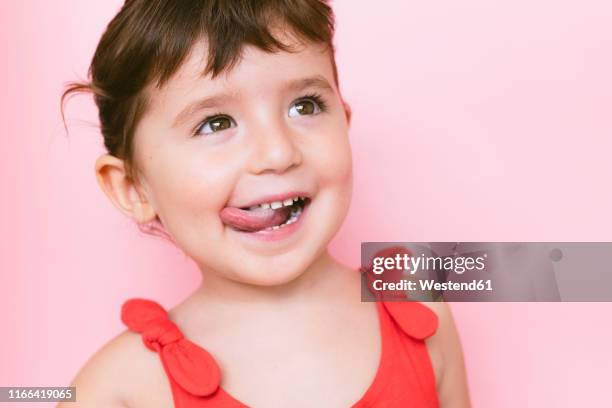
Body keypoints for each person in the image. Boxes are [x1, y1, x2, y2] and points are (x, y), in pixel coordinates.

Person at [59, 1, 470, 407]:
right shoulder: (116, 391)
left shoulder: (420, 308)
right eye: (215, 124)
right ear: (133, 188)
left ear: (344, 125)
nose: (276, 152)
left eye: (304, 105)